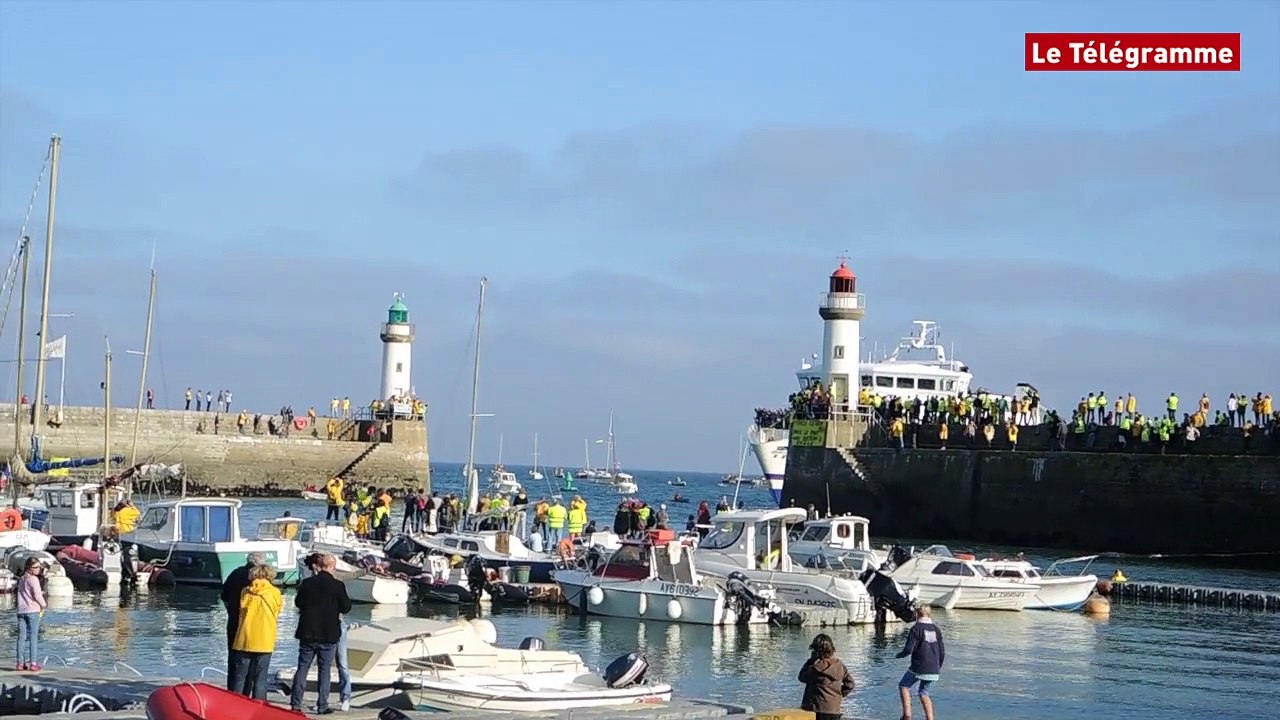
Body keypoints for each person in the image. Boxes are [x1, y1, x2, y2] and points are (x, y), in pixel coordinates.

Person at [290, 553, 353, 714]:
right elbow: (346, 607)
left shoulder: (307, 583)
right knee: (324, 671)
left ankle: (296, 704)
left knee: (302, 668)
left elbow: (298, 603)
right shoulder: (337, 586)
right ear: (332, 567)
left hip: (308, 632)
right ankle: (322, 705)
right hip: (329, 634)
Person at [230, 564, 283, 699]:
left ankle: (236, 704)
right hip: (265, 638)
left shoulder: (245, 591)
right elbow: (277, 612)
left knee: (240, 677)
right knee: (260, 677)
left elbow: (241, 611)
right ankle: (259, 706)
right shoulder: (275, 593)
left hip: (245, 638)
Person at [219, 552, 263, 686]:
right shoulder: (258, 580)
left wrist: (230, 610)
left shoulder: (235, 573)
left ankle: (232, 687)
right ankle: (246, 688)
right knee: (249, 657)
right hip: (250, 623)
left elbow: (224, 595)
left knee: (233, 656)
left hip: (233, 619)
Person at [897, 606, 945, 720]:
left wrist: (901, 655)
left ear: (917, 615)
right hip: (934, 668)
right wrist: (938, 667)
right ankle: (930, 718)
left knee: (904, 685)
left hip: (919, 666)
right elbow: (942, 651)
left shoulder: (916, 628)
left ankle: (907, 715)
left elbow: (909, 649)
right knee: (924, 692)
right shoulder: (936, 629)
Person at [797, 633, 854, 720]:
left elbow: (802, 677)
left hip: (815, 709)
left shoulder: (815, 668)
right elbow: (850, 684)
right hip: (834, 709)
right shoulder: (839, 665)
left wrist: (810, 661)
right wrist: (839, 695)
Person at [15, 557, 47, 671]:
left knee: (21, 638)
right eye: (36, 567)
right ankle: (33, 663)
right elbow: (37, 595)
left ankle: (20, 663)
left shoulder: (22, 579)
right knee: (33, 637)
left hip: (21, 611)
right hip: (32, 611)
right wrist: (43, 605)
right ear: (29, 568)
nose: (38, 569)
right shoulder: (33, 579)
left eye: (39, 567)